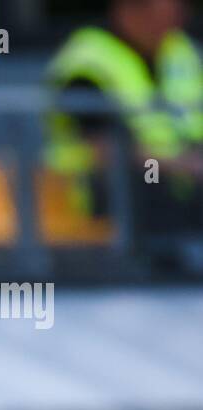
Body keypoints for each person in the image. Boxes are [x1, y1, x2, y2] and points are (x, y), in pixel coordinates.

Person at [45, 0, 203, 242]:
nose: (174, 24)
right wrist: (183, 164)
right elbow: (102, 148)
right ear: (127, 10)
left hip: (181, 194)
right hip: (100, 202)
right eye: (165, 15)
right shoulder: (87, 61)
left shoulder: (180, 50)